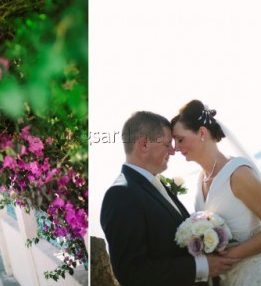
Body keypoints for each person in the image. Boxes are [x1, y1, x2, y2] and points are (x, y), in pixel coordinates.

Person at [171, 100, 261, 286]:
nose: (175, 147)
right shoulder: (201, 178)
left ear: (201, 132)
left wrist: (227, 257)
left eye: (180, 139)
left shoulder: (238, 174)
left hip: (255, 278)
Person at [100, 111, 239, 286]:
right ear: (144, 144)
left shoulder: (153, 184)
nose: (173, 151)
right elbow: (131, 273)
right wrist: (202, 267)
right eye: (167, 144)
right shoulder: (121, 195)